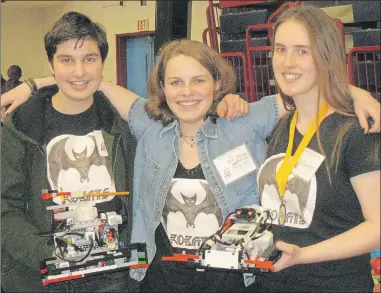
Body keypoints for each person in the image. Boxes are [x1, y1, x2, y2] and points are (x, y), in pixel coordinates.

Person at [2, 37, 380, 293]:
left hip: (234, 279)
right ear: (161, 88)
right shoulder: (149, 127)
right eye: (175, 82)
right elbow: (89, 80)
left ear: (218, 84)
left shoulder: (244, 121)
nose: (186, 92)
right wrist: (34, 84)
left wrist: (356, 93)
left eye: (198, 80)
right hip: (160, 276)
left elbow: (306, 90)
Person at [0, 12, 247, 293]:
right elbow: (4, 207)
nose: (79, 71)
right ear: (51, 64)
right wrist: (45, 252)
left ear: (102, 63)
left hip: (114, 279)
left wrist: (225, 100)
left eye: (89, 59)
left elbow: (187, 108)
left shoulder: (130, 126)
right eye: (66, 60)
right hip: (42, 278)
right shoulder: (21, 128)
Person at [256, 6, 380, 292]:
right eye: (280, 49)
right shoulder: (282, 129)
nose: (288, 62)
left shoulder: (356, 132)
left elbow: (378, 228)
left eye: (302, 50)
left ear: (325, 56)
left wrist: (303, 256)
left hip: (334, 284)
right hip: (275, 283)